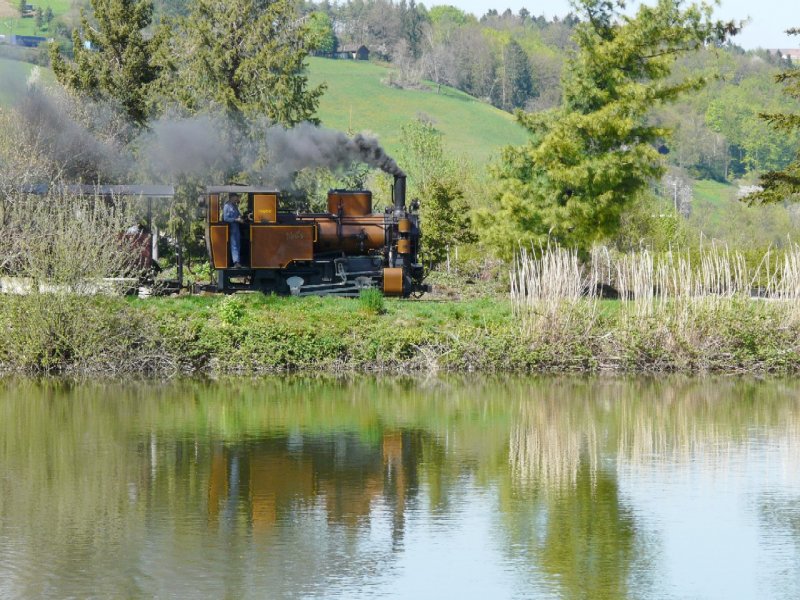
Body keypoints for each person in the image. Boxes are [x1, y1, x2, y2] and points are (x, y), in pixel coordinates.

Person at [222, 193, 245, 268]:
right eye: (236, 197)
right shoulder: (227, 206)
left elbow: (238, 214)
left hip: (237, 228)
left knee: (238, 244)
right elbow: (225, 218)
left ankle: (238, 261)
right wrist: (236, 220)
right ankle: (236, 262)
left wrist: (241, 217)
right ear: (232, 197)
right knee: (234, 245)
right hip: (231, 228)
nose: (237, 199)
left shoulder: (234, 206)